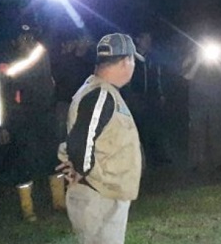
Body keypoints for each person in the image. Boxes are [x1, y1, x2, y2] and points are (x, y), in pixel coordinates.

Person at [56, 33, 143, 244]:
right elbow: (80, 143)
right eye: (132, 61)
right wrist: (86, 176)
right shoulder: (101, 95)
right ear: (125, 61)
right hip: (100, 198)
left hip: (103, 196)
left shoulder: (99, 91)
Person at [0, 28, 60, 221]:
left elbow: (52, 83)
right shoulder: (6, 66)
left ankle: (59, 202)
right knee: (24, 163)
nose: (27, 40)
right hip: (22, 122)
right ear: (15, 41)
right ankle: (27, 208)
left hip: (46, 117)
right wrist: (1, 126)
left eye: (30, 36)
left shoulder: (43, 57)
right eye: (23, 37)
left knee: (53, 159)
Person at [182, 37, 221, 172]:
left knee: (217, 131)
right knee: (196, 131)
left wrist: (217, 61)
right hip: (197, 102)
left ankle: (220, 162)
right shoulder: (190, 58)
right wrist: (198, 61)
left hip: (217, 102)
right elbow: (187, 76)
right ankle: (196, 162)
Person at [126, 31, 170, 166]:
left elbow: (158, 77)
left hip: (152, 97)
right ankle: (139, 159)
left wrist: (161, 93)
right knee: (139, 128)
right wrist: (130, 96)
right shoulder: (130, 58)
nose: (148, 42)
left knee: (155, 127)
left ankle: (157, 157)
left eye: (150, 39)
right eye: (146, 39)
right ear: (138, 40)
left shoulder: (152, 59)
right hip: (137, 97)